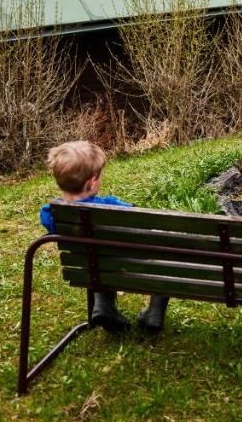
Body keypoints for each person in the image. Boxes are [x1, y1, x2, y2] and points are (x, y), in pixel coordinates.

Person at [39, 141, 167, 332]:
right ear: (92, 182)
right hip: (133, 267)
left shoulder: (50, 213)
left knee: (98, 257)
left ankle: (104, 306)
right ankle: (154, 313)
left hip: (90, 269)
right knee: (163, 250)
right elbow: (141, 220)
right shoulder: (111, 206)